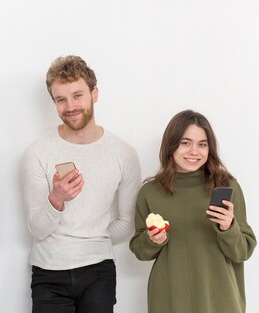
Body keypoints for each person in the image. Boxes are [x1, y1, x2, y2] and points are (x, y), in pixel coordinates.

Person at [22, 55, 142, 313]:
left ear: (94, 93)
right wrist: (56, 199)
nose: (70, 106)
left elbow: (126, 222)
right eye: (60, 99)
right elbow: (37, 229)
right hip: (48, 272)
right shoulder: (37, 152)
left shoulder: (123, 153)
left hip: (99, 271)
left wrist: (92, 241)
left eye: (77, 95)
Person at [129, 110, 256, 313]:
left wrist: (228, 228)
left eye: (202, 144)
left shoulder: (226, 186)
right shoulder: (150, 192)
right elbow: (139, 251)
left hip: (220, 300)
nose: (194, 151)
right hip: (169, 299)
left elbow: (243, 252)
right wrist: (153, 240)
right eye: (185, 142)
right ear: (171, 145)